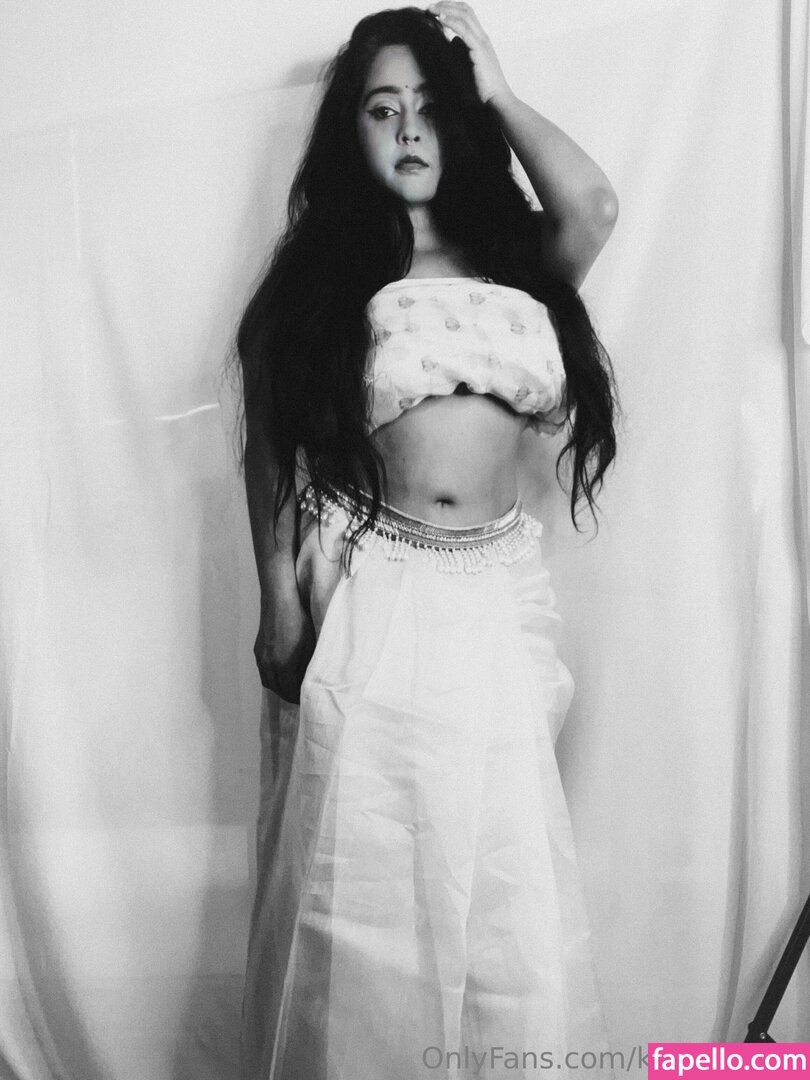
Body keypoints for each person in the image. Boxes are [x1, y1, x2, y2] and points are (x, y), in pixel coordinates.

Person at [233, 4, 619, 1078]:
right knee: (367, 877)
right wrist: (278, 598)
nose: (408, 129)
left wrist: (496, 85)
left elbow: (593, 203)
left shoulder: (516, 260)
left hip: (496, 593)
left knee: (500, 877)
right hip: (377, 585)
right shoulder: (329, 276)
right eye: (382, 109)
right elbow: (268, 438)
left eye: (430, 108)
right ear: (350, 132)